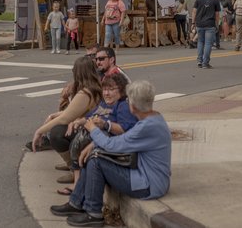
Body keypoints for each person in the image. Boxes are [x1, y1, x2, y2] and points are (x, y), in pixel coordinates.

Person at [50, 80, 172, 228]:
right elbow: (123, 140)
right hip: (148, 177)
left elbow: (112, 145)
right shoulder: (153, 119)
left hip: (148, 185)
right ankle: (76, 203)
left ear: (133, 105)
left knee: (96, 160)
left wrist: (92, 128)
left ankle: (93, 212)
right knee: (95, 154)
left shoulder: (147, 127)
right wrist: (95, 143)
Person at [56, 73, 138, 195]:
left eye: (111, 89)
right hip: (94, 136)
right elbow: (89, 117)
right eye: (104, 89)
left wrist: (104, 124)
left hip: (110, 141)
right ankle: (77, 180)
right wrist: (77, 122)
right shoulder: (103, 104)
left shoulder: (122, 106)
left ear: (121, 90)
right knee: (62, 134)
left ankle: (78, 186)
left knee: (83, 143)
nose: (106, 93)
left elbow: (124, 130)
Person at [30, 56, 103, 165]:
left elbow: (65, 118)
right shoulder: (94, 87)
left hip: (88, 129)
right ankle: (73, 163)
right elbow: (73, 110)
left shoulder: (85, 93)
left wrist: (40, 131)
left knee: (56, 133)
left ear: (79, 73)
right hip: (91, 126)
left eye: (74, 70)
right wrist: (53, 115)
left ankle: (74, 166)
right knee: (57, 128)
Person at [192, 0, 220, 69]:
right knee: (208, 43)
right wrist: (217, 24)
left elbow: (194, 11)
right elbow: (217, 14)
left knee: (200, 42)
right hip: (210, 24)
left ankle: (199, 61)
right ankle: (205, 63)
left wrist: (193, 23)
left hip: (199, 24)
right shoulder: (215, 0)